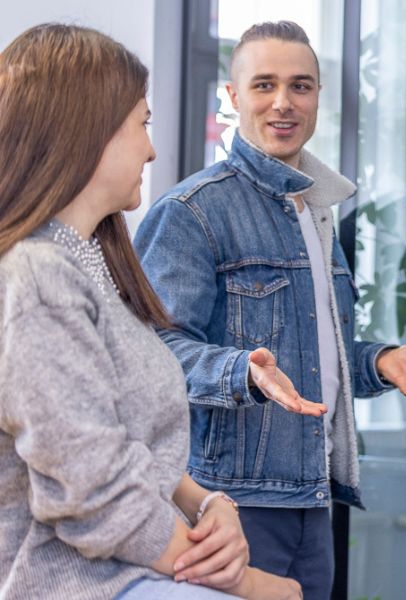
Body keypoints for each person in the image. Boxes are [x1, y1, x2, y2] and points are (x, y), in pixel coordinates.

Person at [134, 20, 406, 599]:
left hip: (314, 499)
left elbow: (315, 358)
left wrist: (381, 361)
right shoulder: (191, 211)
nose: (283, 103)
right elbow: (150, 354)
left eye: (301, 86)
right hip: (230, 504)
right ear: (233, 96)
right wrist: (244, 372)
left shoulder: (313, 212)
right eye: (263, 85)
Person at [0, 24, 301, 600]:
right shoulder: (38, 274)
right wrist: (244, 581)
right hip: (82, 580)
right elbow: (88, 483)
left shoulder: (91, 264)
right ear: (86, 132)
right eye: (142, 124)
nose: (152, 149)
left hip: (133, 565)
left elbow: (129, 442)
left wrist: (211, 503)